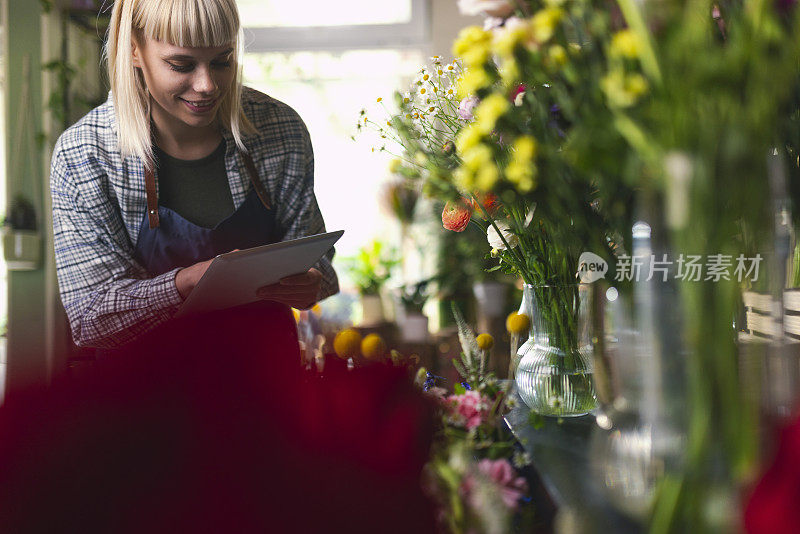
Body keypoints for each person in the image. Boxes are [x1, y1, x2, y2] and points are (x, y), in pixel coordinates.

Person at [50, 0, 338, 352]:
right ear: (133, 51)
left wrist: (312, 283)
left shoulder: (280, 130)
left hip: (269, 388)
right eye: (181, 64)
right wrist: (185, 284)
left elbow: (318, 263)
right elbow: (90, 318)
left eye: (222, 61)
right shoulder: (85, 154)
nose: (207, 85)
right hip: (140, 398)